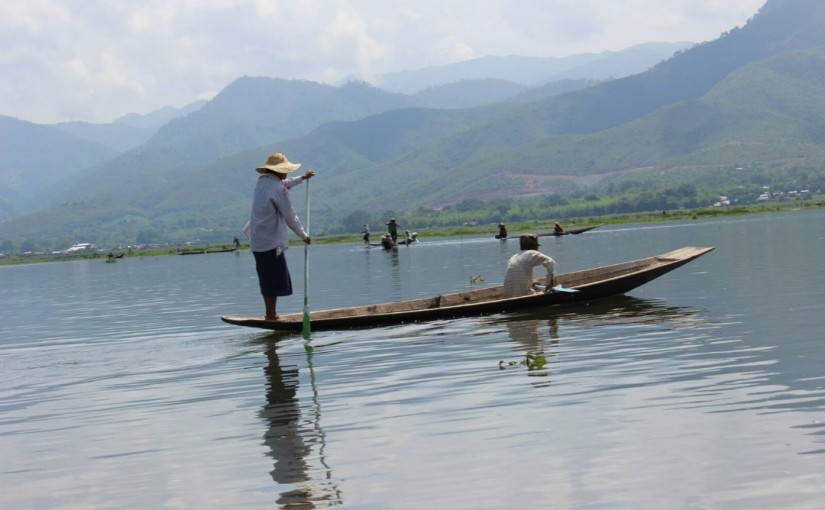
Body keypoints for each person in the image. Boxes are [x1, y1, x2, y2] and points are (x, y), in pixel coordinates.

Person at [245, 153, 315, 320]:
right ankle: (271, 315)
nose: (287, 173)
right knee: (273, 279)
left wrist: (302, 178)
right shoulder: (276, 188)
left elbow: (284, 184)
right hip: (269, 241)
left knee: (266, 278)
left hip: (258, 240)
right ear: (278, 171)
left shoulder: (263, 183)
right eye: (285, 170)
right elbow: (290, 215)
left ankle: (270, 314)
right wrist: (303, 235)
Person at [503, 234, 555, 298]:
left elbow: (521, 273)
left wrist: (532, 282)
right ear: (534, 246)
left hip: (508, 297)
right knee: (547, 292)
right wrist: (550, 283)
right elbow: (550, 261)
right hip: (524, 296)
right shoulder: (531, 253)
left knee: (535, 291)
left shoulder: (514, 257)